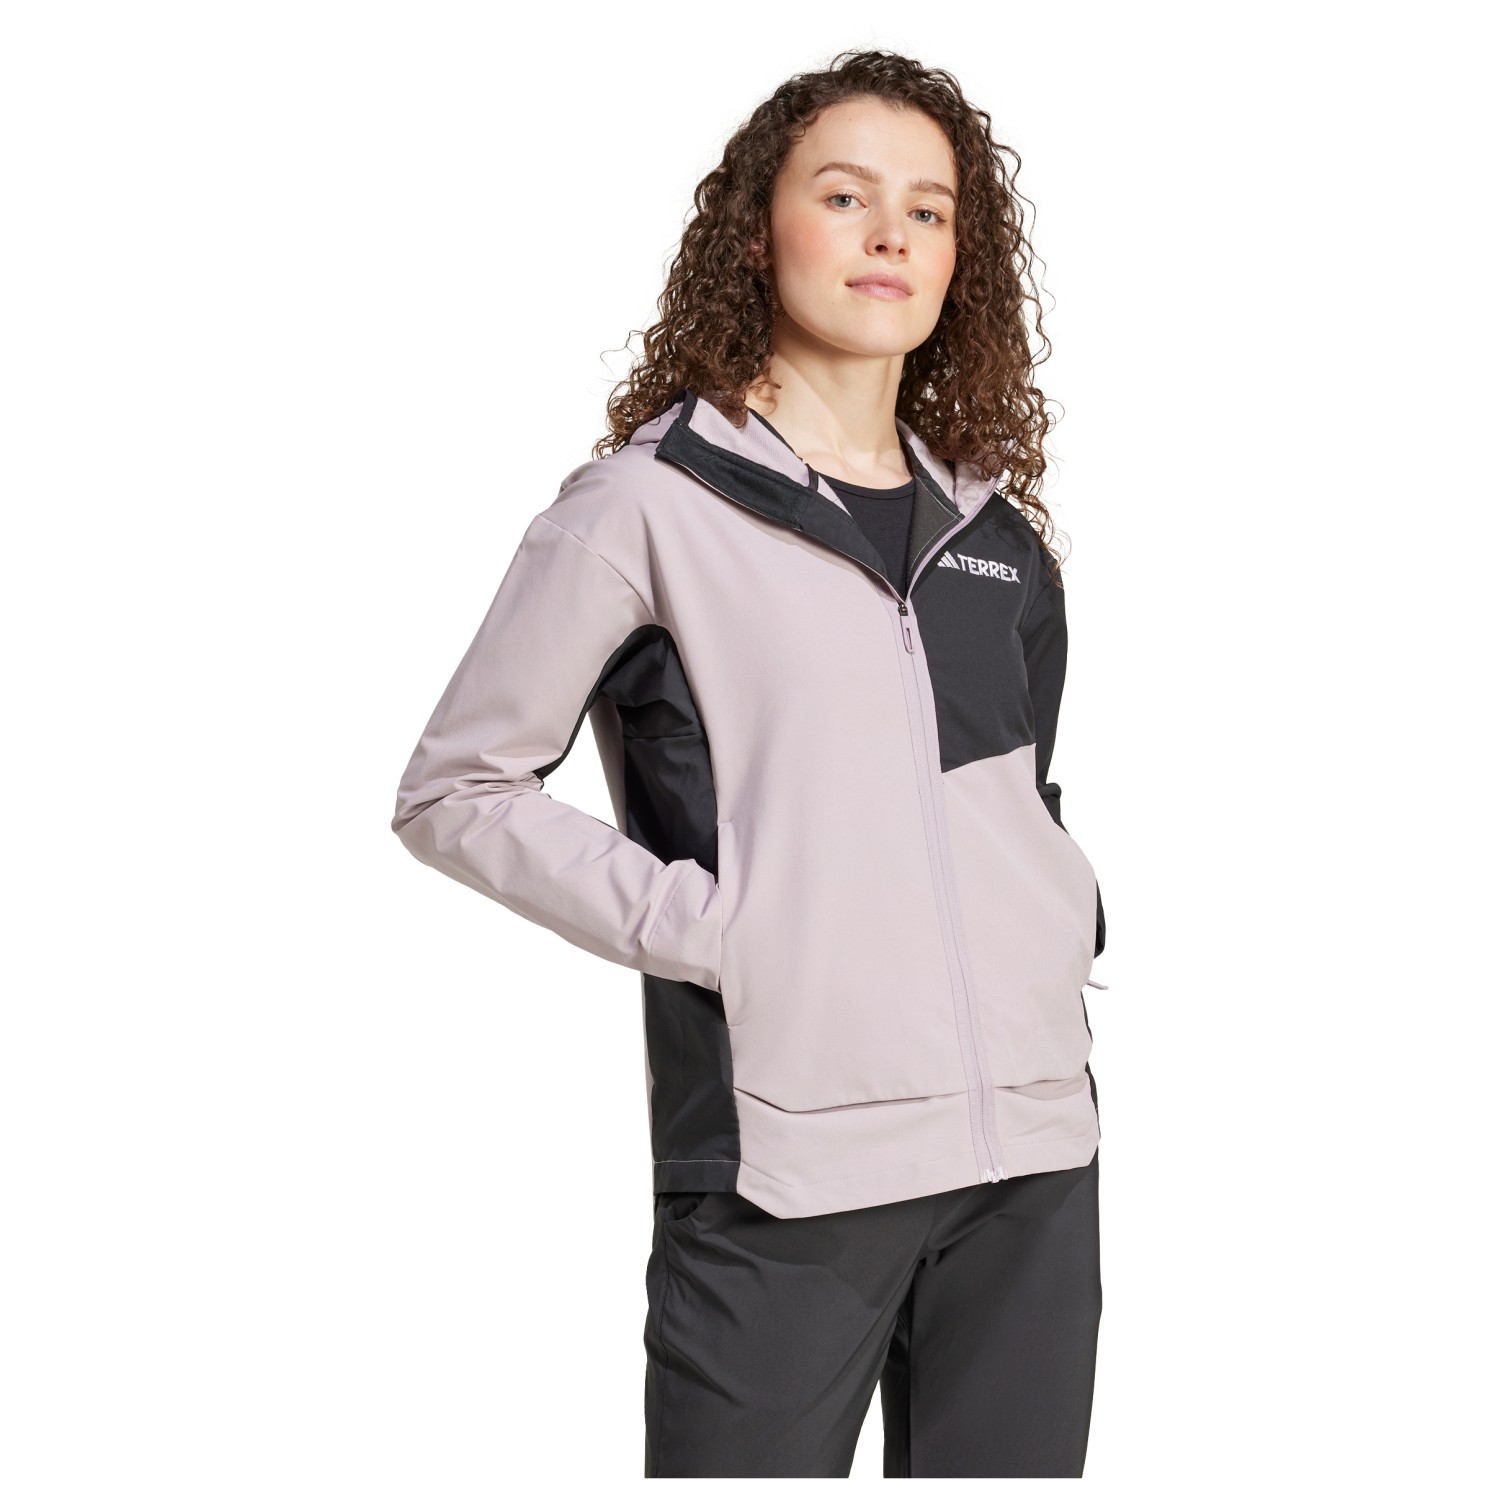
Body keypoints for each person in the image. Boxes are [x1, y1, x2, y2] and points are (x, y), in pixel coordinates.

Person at [391, 48, 1110, 1479]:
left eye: (929, 210)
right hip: (788, 1170)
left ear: (960, 259)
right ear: (757, 231)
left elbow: (1016, 803)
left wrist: (1063, 916)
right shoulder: (646, 509)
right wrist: (717, 929)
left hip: (1034, 1159)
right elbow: (456, 790)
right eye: (844, 196)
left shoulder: (996, 540)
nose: (890, 233)